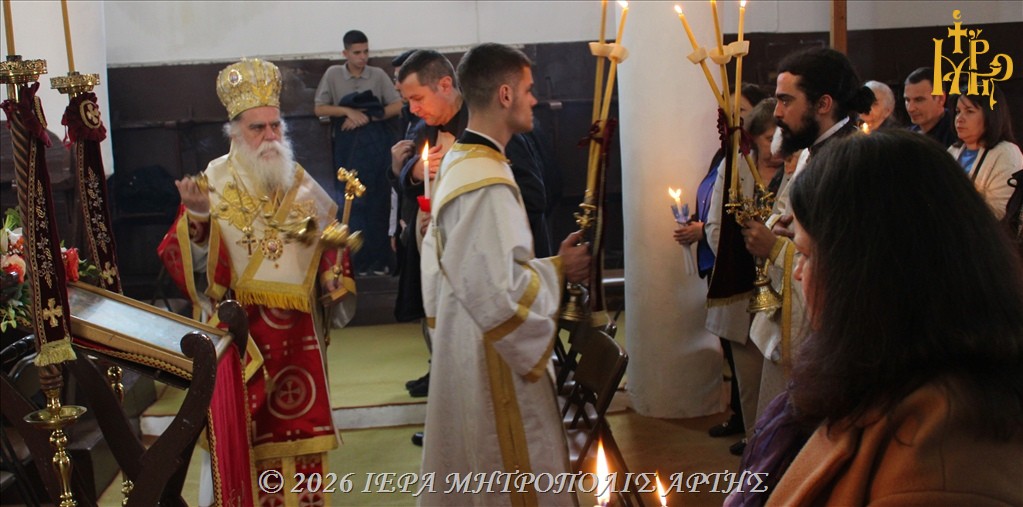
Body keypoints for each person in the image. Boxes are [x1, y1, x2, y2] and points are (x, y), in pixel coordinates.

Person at [729, 130, 1023, 505]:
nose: (798, 273)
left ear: (869, 272)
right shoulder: (878, 369)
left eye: (806, 254)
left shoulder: (943, 453)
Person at [159, 58, 343, 506]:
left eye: (276, 126)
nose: (270, 137)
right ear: (235, 132)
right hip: (244, 338)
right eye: (257, 128)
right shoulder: (213, 181)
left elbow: (324, 237)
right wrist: (199, 218)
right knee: (240, 439)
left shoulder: (296, 179)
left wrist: (334, 264)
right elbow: (187, 265)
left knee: (300, 434)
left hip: (298, 338)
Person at [419, 42, 590, 505]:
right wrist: (560, 270)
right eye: (529, 89)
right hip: (491, 360)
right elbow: (499, 295)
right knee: (507, 473)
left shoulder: (462, 161)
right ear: (506, 94)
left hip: (466, 339)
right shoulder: (485, 182)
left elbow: (451, 270)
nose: (535, 99)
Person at [391, 50, 552, 404]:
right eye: (408, 101)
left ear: (445, 85)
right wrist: (413, 173)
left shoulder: (490, 129)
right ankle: (440, 372)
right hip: (443, 260)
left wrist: (456, 213)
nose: (413, 109)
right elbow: (412, 181)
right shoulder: (423, 128)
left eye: (418, 98)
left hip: (490, 266)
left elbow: (534, 196)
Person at [740, 46, 873, 437]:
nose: (777, 113)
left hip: (825, 334)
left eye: (786, 100)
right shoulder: (814, 153)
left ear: (823, 104)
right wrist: (780, 227)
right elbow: (794, 216)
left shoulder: (847, 161)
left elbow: (843, 259)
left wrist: (775, 247)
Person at [674, 84, 768, 455]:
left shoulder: (772, 163)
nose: (735, 119)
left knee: (763, 368)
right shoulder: (727, 156)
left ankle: (763, 437)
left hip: (760, 271)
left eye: (741, 112)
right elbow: (717, 211)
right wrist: (705, 231)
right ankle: (747, 424)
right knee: (740, 359)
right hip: (730, 268)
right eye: (729, 112)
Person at [314, 30, 403, 276]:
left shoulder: (377, 75)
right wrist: (347, 112)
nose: (362, 57)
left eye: (365, 52)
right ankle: (356, 262)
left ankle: (380, 260)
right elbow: (319, 108)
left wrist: (368, 117)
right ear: (345, 53)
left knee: (378, 200)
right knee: (352, 203)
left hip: (376, 144)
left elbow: (397, 105)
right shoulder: (334, 74)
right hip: (348, 147)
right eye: (356, 53)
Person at [947, 85, 1022, 220]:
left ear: (991, 115)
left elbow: (999, 212)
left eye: (969, 111)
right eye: (958, 111)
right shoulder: (953, 150)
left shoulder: (1006, 153)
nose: (959, 118)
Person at [904, 66, 957, 147]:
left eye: (919, 100)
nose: (910, 108)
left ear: (940, 99)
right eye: (907, 100)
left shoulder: (958, 133)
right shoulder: (907, 136)